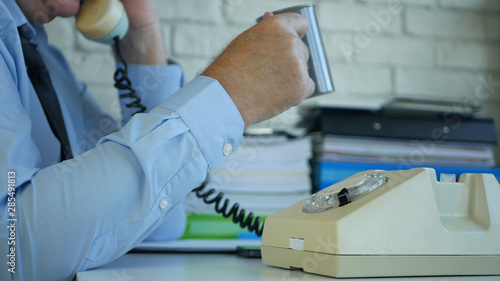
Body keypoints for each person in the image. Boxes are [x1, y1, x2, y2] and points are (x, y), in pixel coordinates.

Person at [0, 0, 314, 280]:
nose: (72, 9)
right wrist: (231, 95)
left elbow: (162, 226)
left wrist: (143, 38)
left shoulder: (46, 63)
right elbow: (12, 251)